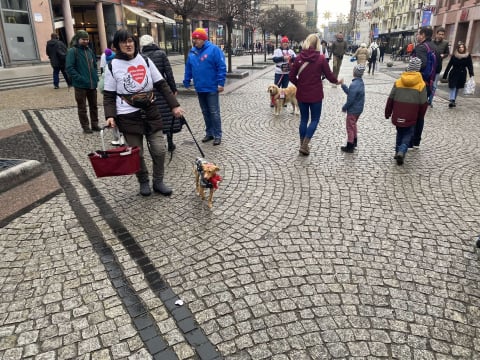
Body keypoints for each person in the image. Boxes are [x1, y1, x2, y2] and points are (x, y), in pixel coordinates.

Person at [103, 30, 184, 197]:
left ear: (135, 42)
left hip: (151, 111)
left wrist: (174, 105)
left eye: (131, 41)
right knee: (137, 153)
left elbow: (162, 84)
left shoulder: (145, 60)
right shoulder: (112, 65)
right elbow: (109, 95)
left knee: (159, 149)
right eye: (124, 42)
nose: (128, 44)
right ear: (118, 46)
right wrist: (110, 116)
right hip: (127, 115)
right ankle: (143, 181)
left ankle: (158, 181)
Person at [289, 34, 343, 156]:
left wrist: (300, 84)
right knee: (314, 119)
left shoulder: (298, 58)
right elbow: (329, 76)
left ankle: (303, 145)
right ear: (318, 44)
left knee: (303, 120)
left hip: (302, 94)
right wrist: (337, 81)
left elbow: (291, 76)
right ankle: (305, 145)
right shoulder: (321, 59)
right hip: (316, 95)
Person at [183, 28, 226, 146]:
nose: (195, 41)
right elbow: (188, 68)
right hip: (200, 87)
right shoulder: (192, 52)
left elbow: (221, 67)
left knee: (214, 112)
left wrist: (221, 83)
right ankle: (209, 133)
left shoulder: (214, 50)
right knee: (205, 112)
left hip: (212, 87)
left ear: (203, 39)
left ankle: (218, 135)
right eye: (194, 39)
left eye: (196, 39)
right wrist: (186, 80)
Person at [385, 58, 428, 165]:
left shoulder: (398, 82)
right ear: (418, 69)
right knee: (408, 133)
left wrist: (388, 112)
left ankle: (397, 151)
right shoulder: (421, 84)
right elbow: (423, 103)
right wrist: (420, 116)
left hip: (398, 114)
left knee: (399, 132)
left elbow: (390, 99)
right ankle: (402, 150)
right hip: (412, 115)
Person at [140, 34, 178, 152]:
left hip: (149, 91)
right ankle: (170, 142)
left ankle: (158, 143)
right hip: (163, 89)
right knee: (167, 115)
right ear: (153, 42)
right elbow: (169, 73)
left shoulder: (140, 57)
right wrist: (173, 89)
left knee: (156, 116)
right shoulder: (161, 54)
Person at [66, 30, 99, 134]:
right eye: (83, 39)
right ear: (78, 39)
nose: (86, 41)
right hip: (80, 85)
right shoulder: (73, 51)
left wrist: (95, 77)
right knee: (82, 107)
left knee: (94, 106)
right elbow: (69, 68)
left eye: (87, 39)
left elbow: (94, 65)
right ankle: (85, 126)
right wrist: (79, 78)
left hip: (92, 84)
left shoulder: (89, 51)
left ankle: (95, 124)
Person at [410, 26, 436, 148]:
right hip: (429, 83)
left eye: (419, 34)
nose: (417, 36)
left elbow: (421, 64)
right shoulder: (433, 46)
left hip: (419, 83)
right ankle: (416, 141)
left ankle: (410, 140)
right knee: (421, 114)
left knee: (413, 112)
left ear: (424, 35)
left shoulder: (421, 47)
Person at [340, 64, 366, 153]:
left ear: (354, 72)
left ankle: (350, 146)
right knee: (353, 125)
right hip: (358, 110)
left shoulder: (354, 84)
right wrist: (343, 85)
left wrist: (344, 107)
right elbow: (351, 94)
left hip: (353, 110)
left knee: (350, 127)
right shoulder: (360, 83)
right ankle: (354, 141)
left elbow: (350, 99)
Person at [442, 41, 474, 108]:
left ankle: (453, 100)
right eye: (460, 47)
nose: (461, 48)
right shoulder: (454, 55)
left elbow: (470, 65)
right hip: (454, 72)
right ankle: (452, 100)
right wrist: (445, 75)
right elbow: (449, 65)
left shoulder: (468, 56)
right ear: (458, 48)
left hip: (462, 74)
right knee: (453, 86)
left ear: (464, 48)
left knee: (457, 87)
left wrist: (471, 74)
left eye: (462, 47)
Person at [271, 36, 296, 105]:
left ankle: (282, 101)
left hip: (287, 72)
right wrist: (283, 58)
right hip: (279, 71)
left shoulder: (291, 51)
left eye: (286, 42)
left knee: (284, 88)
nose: (285, 44)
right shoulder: (277, 51)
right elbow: (274, 59)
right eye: (284, 42)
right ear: (281, 43)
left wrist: (291, 58)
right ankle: (273, 101)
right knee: (276, 87)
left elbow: (295, 59)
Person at [429, 27, 450, 106]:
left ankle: (430, 101)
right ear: (436, 34)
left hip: (437, 67)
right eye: (439, 34)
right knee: (427, 84)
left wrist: (443, 55)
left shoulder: (445, 43)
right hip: (429, 66)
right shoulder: (430, 42)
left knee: (434, 86)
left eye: (442, 34)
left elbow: (447, 53)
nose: (441, 36)